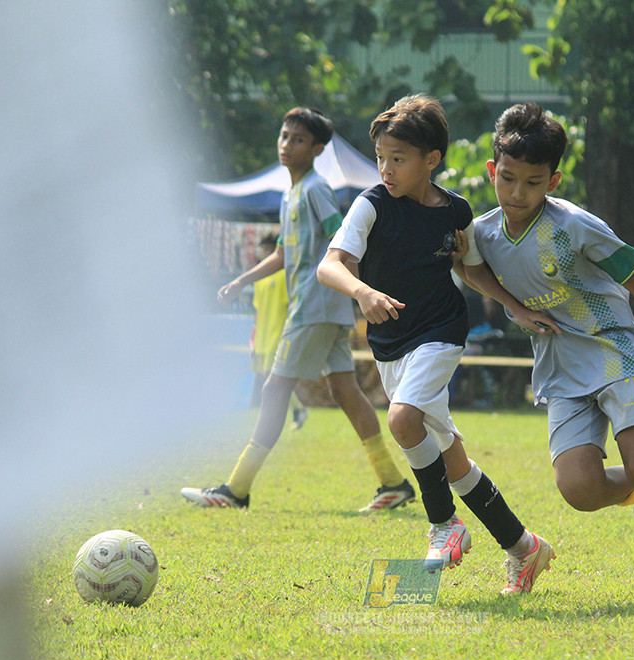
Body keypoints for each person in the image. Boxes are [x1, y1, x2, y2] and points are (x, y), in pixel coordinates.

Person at [462, 103, 634, 607]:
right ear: (492, 171)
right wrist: (512, 308)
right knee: (579, 490)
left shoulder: (575, 227)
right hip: (560, 365)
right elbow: (469, 268)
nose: (518, 193)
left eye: (532, 182)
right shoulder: (482, 231)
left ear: (553, 180)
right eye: (508, 179)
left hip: (617, 351)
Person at [317, 94, 558, 594]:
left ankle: (444, 527)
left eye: (397, 159)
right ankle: (524, 547)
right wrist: (362, 291)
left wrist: (515, 306)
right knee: (451, 459)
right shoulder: (371, 204)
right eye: (381, 157)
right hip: (390, 344)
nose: (385, 168)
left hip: (441, 332)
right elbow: (330, 264)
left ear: (431, 160)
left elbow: (470, 270)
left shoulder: (455, 210)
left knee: (402, 419)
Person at [181, 107, 414, 512]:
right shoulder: (292, 192)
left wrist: (358, 290)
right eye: (285, 136)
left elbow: (340, 242)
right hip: (320, 309)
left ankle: (235, 489)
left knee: (274, 389)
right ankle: (393, 483)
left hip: (314, 307)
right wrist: (242, 280)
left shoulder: (316, 190)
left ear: (318, 148)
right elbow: (285, 253)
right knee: (346, 390)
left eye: (299, 139)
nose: (287, 145)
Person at [248, 234, 308, 430]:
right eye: (262, 251)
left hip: (278, 333)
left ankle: (271, 419)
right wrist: (253, 336)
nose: (264, 254)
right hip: (263, 335)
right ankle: (298, 409)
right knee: (268, 377)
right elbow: (257, 309)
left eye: (267, 250)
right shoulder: (259, 279)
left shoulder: (284, 275)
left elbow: (291, 305)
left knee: (272, 375)